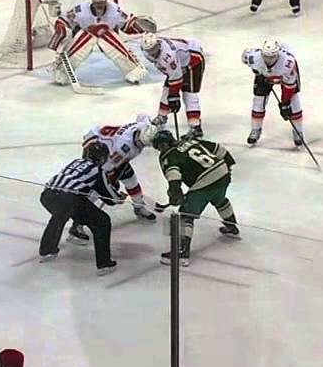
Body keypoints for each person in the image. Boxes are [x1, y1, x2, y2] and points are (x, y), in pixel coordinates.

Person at [146, 129, 240, 267]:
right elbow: (219, 149)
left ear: (163, 145)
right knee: (219, 199)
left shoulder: (168, 156)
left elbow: (173, 174)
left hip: (205, 181)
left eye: (158, 147)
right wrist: (228, 166)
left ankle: (182, 253)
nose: (159, 150)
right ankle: (232, 227)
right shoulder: (190, 141)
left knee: (185, 213)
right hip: (222, 172)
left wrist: (175, 192)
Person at [38, 142, 123, 274]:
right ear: (101, 158)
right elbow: (110, 197)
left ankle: (47, 250)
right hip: (69, 199)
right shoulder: (97, 170)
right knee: (102, 222)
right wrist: (119, 197)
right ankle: (104, 264)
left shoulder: (75, 162)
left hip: (47, 195)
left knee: (60, 215)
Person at [47, 0, 155, 86]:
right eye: (97, 3)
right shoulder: (81, 10)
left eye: (102, 2)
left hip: (108, 38)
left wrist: (137, 27)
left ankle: (133, 69)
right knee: (86, 36)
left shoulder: (114, 10)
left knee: (107, 35)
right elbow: (63, 20)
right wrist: (61, 29)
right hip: (85, 36)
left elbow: (126, 25)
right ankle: (61, 70)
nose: (100, 5)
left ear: (106, 1)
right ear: (92, 2)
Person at [81, 114, 160, 222]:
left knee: (130, 179)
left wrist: (155, 122)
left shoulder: (143, 126)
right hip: (94, 144)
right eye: (140, 142)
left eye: (144, 144)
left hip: (105, 140)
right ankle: (80, 218)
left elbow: (142, 116)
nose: (140, 145)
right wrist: (111, 180)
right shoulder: (123, 149)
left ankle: (139, 206)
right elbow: (106, 168)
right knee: (99, 186)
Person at [140, 34, 206, 137]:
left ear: (158, 45)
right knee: (167, 90)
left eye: (153, 49)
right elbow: (173, 76)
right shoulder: (147, 50)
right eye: (149, 50)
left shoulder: (168, 56)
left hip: (193, 60)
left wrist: (174, 97)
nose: (152, 53)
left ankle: (195, 127)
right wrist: (172, 96)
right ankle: (162, 117)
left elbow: (176, 78)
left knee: (189, 94)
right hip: (179, 62)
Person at [241, 39, 304, 147]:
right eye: (265, 56)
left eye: (272, 57)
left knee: (294, 101)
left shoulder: (288, 63)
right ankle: (256, 130)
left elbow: (289, 86)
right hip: (263, 75)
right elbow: (244, 57)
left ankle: (298, 131)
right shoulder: (253, 58)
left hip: (285, 77)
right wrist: (256, 70)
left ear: (278, 54)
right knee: (258, 101)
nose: (268, 60)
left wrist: (284, 103)